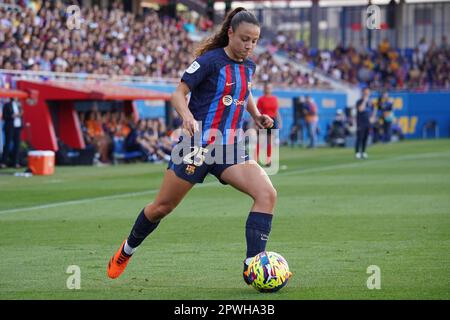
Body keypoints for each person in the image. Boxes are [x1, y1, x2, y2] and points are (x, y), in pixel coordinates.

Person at [106, 8, 292, 285]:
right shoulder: (209, 62)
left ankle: (252, 265)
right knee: (162, 207)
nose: (249, 46)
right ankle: (126, 250)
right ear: (230, 33)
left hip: (230, 147)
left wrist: (255, 115)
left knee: (267, 194)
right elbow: (178, 93)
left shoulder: (249, 66)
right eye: (244, 39)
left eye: (254, 41)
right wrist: (188, 116)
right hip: (197, 146)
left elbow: (245, 90)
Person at [256, 82, 281, 166]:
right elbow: (258, 111)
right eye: (266, 88)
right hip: (264, 120)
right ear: (264, 89)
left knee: (270, 142)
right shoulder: (261, 99)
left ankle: (268, 159)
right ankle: (256, 159)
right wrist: (256, 122)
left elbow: (276, 112)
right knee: (260, 141)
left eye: (269, 88)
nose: (268, 89)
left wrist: (280, 121)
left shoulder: (274, 99)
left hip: (272, 121)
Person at [1, 98, 23, 168]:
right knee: (7, 144)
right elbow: (4, 116)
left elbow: (21, 115)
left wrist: (20, 114)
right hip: (10, 127)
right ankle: (3, 162)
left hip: (17, 127)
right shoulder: (7, 105)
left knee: (17, 145)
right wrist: (12, 116)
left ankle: (16, 162)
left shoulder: (19, 105)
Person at [355, 87, 376, 159]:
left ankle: (363, 152)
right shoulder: (359, 101)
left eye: (368, 92)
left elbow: (373, 110)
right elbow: (360, 109)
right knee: (360, 137)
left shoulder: (370, 102)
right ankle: (357, 152)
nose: (367, 93)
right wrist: (364, 100)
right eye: (366, 92)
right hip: (361, 122)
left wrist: (373, 117)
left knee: (365, 138)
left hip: (368, 122)